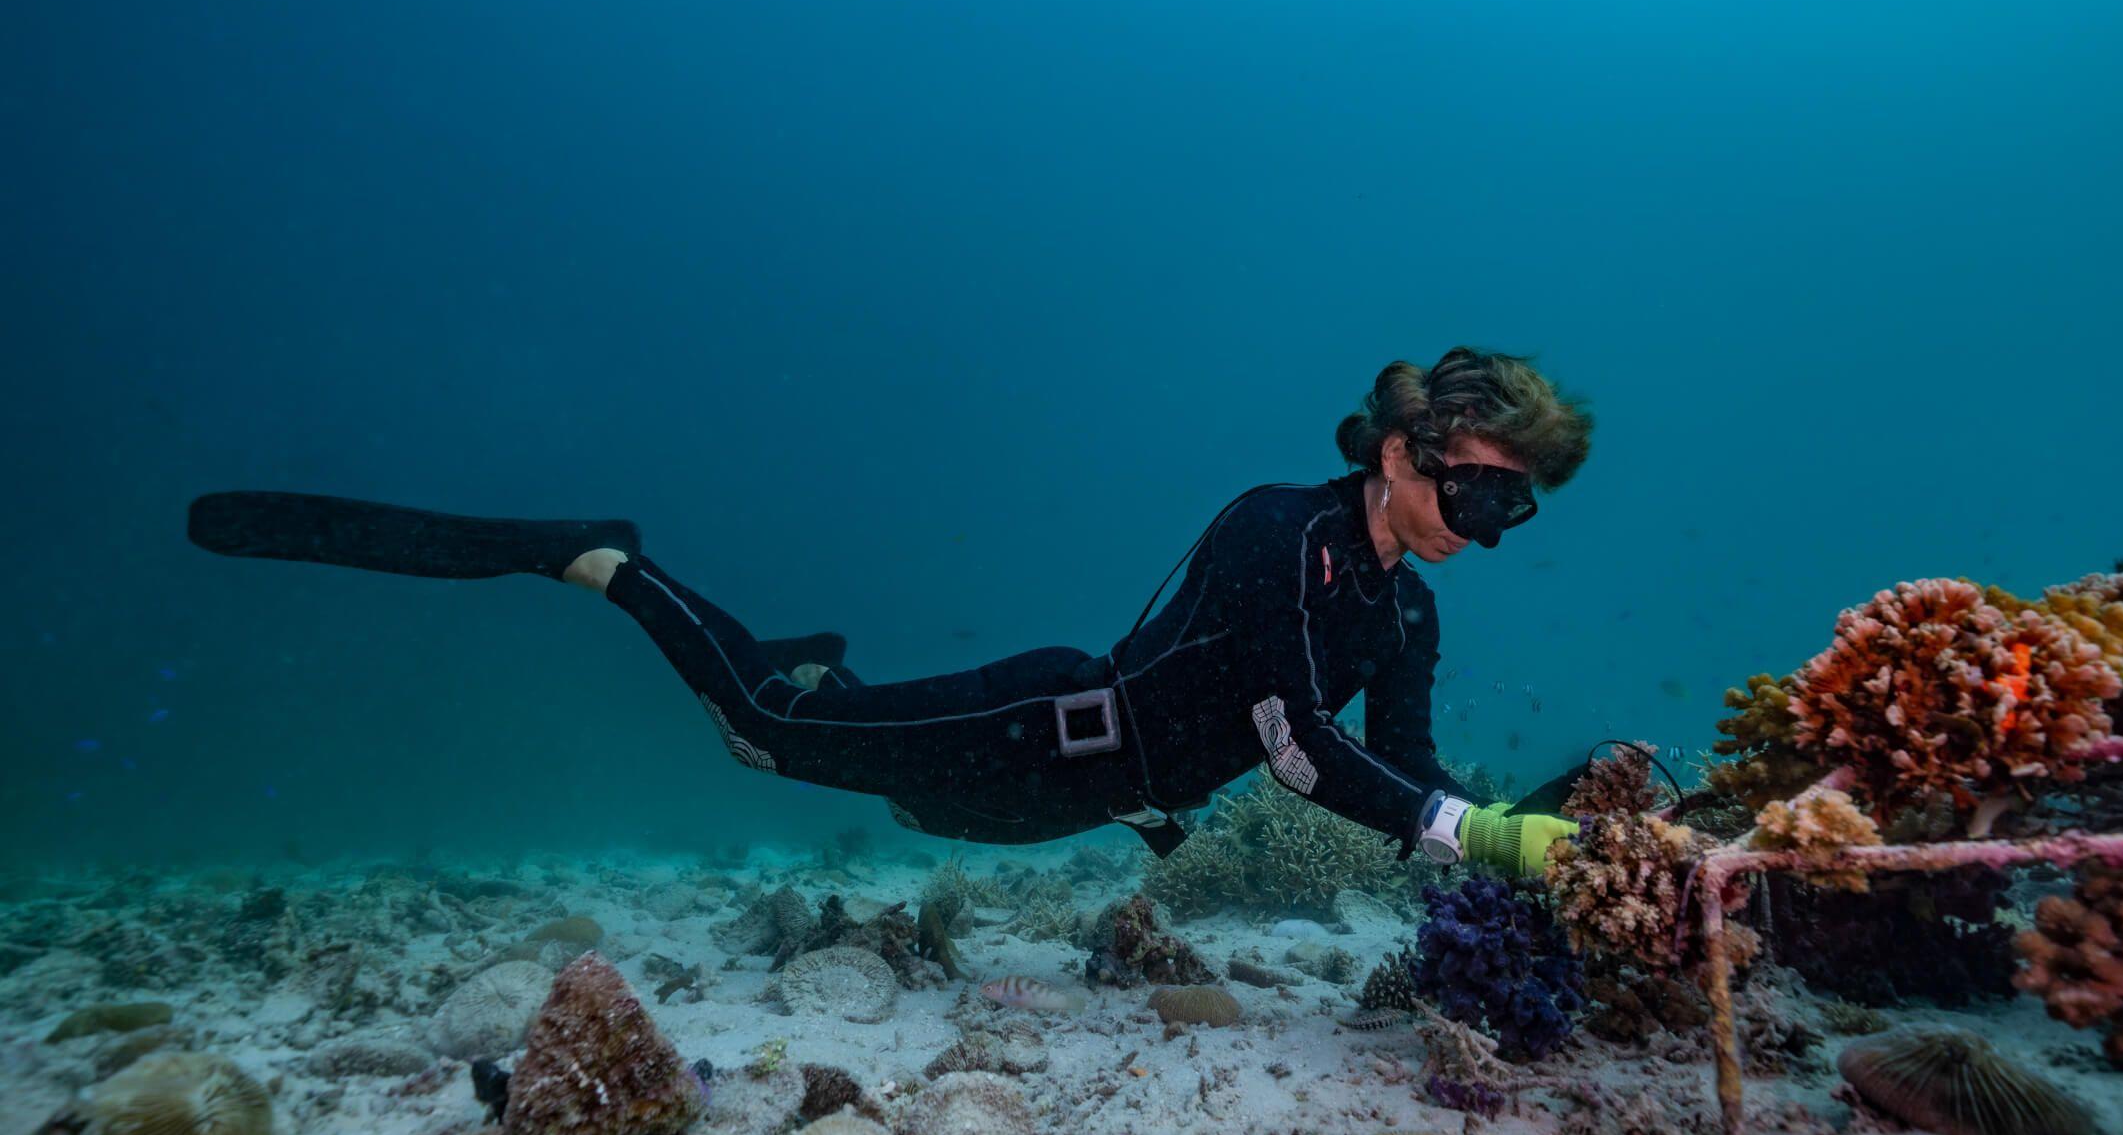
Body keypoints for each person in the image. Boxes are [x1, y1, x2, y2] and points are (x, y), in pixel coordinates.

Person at [188, 347, 1593, 877]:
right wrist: (1472, 835)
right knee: (756, 734)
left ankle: (818, 669)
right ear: (1407, 454)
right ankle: (599, 558)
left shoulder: (1406, 618)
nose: (1493, 530)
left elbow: (1409, 766)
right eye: (1482, 495)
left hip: (1075, 809)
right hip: (1050, 729)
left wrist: (1539, 834)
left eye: (1518, 511)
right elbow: (1295, 750)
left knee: (864, 769)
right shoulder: (1279, 532)